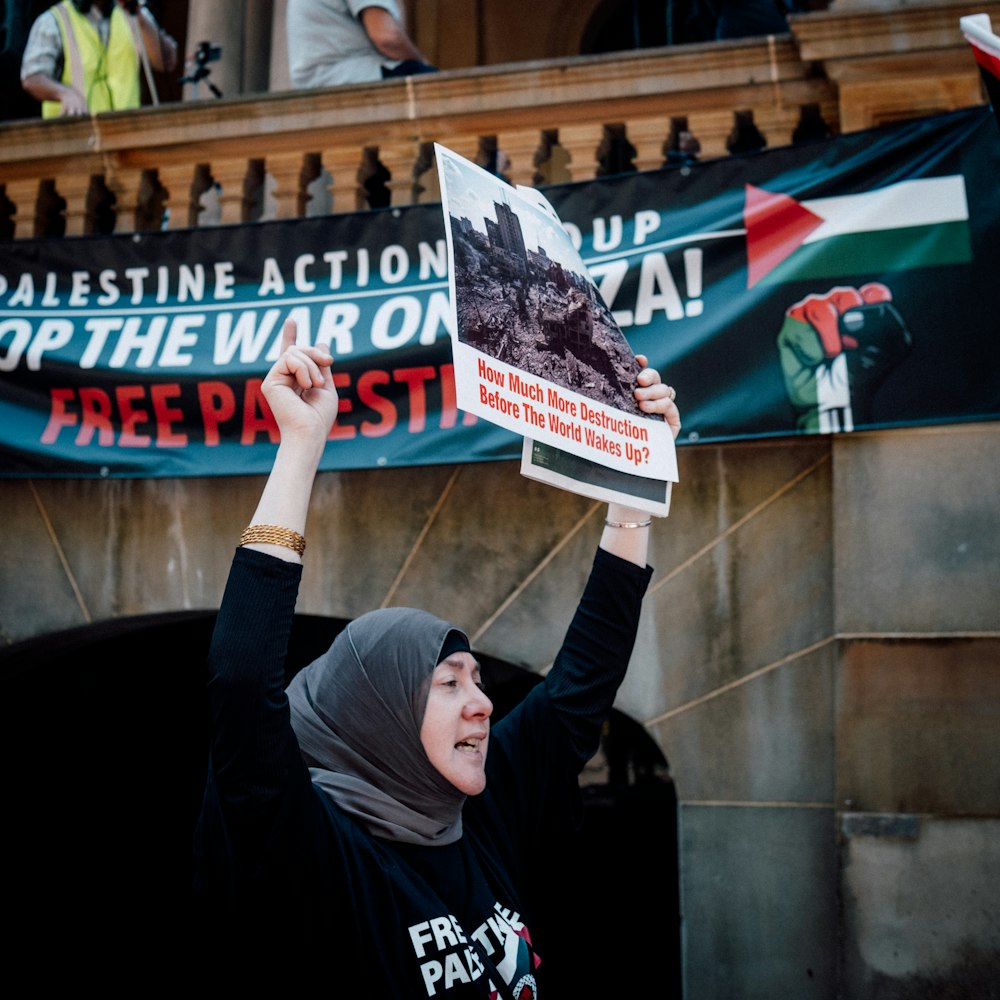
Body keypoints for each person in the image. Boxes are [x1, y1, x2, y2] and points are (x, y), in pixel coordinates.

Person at [192, 318, 681, 994]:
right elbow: (243, 680)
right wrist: (301, 446)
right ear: (380, 715)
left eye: (476, 679)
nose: (482, 702)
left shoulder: (475, 811)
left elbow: (577, 692)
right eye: (448, 684)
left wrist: (633, 496)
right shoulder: (303, 847)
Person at [20, 0, 177, 118]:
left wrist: (140, 17)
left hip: (126, 136)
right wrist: (64, 93)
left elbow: (166, 61)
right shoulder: (54, 19)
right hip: (76, 137)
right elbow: (32, 78)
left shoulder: (131, 14)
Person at [287, 0, 436, 89]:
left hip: (312, 89)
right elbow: (388, 38)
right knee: (442, 86)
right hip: (358, 78)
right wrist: (421, 61)